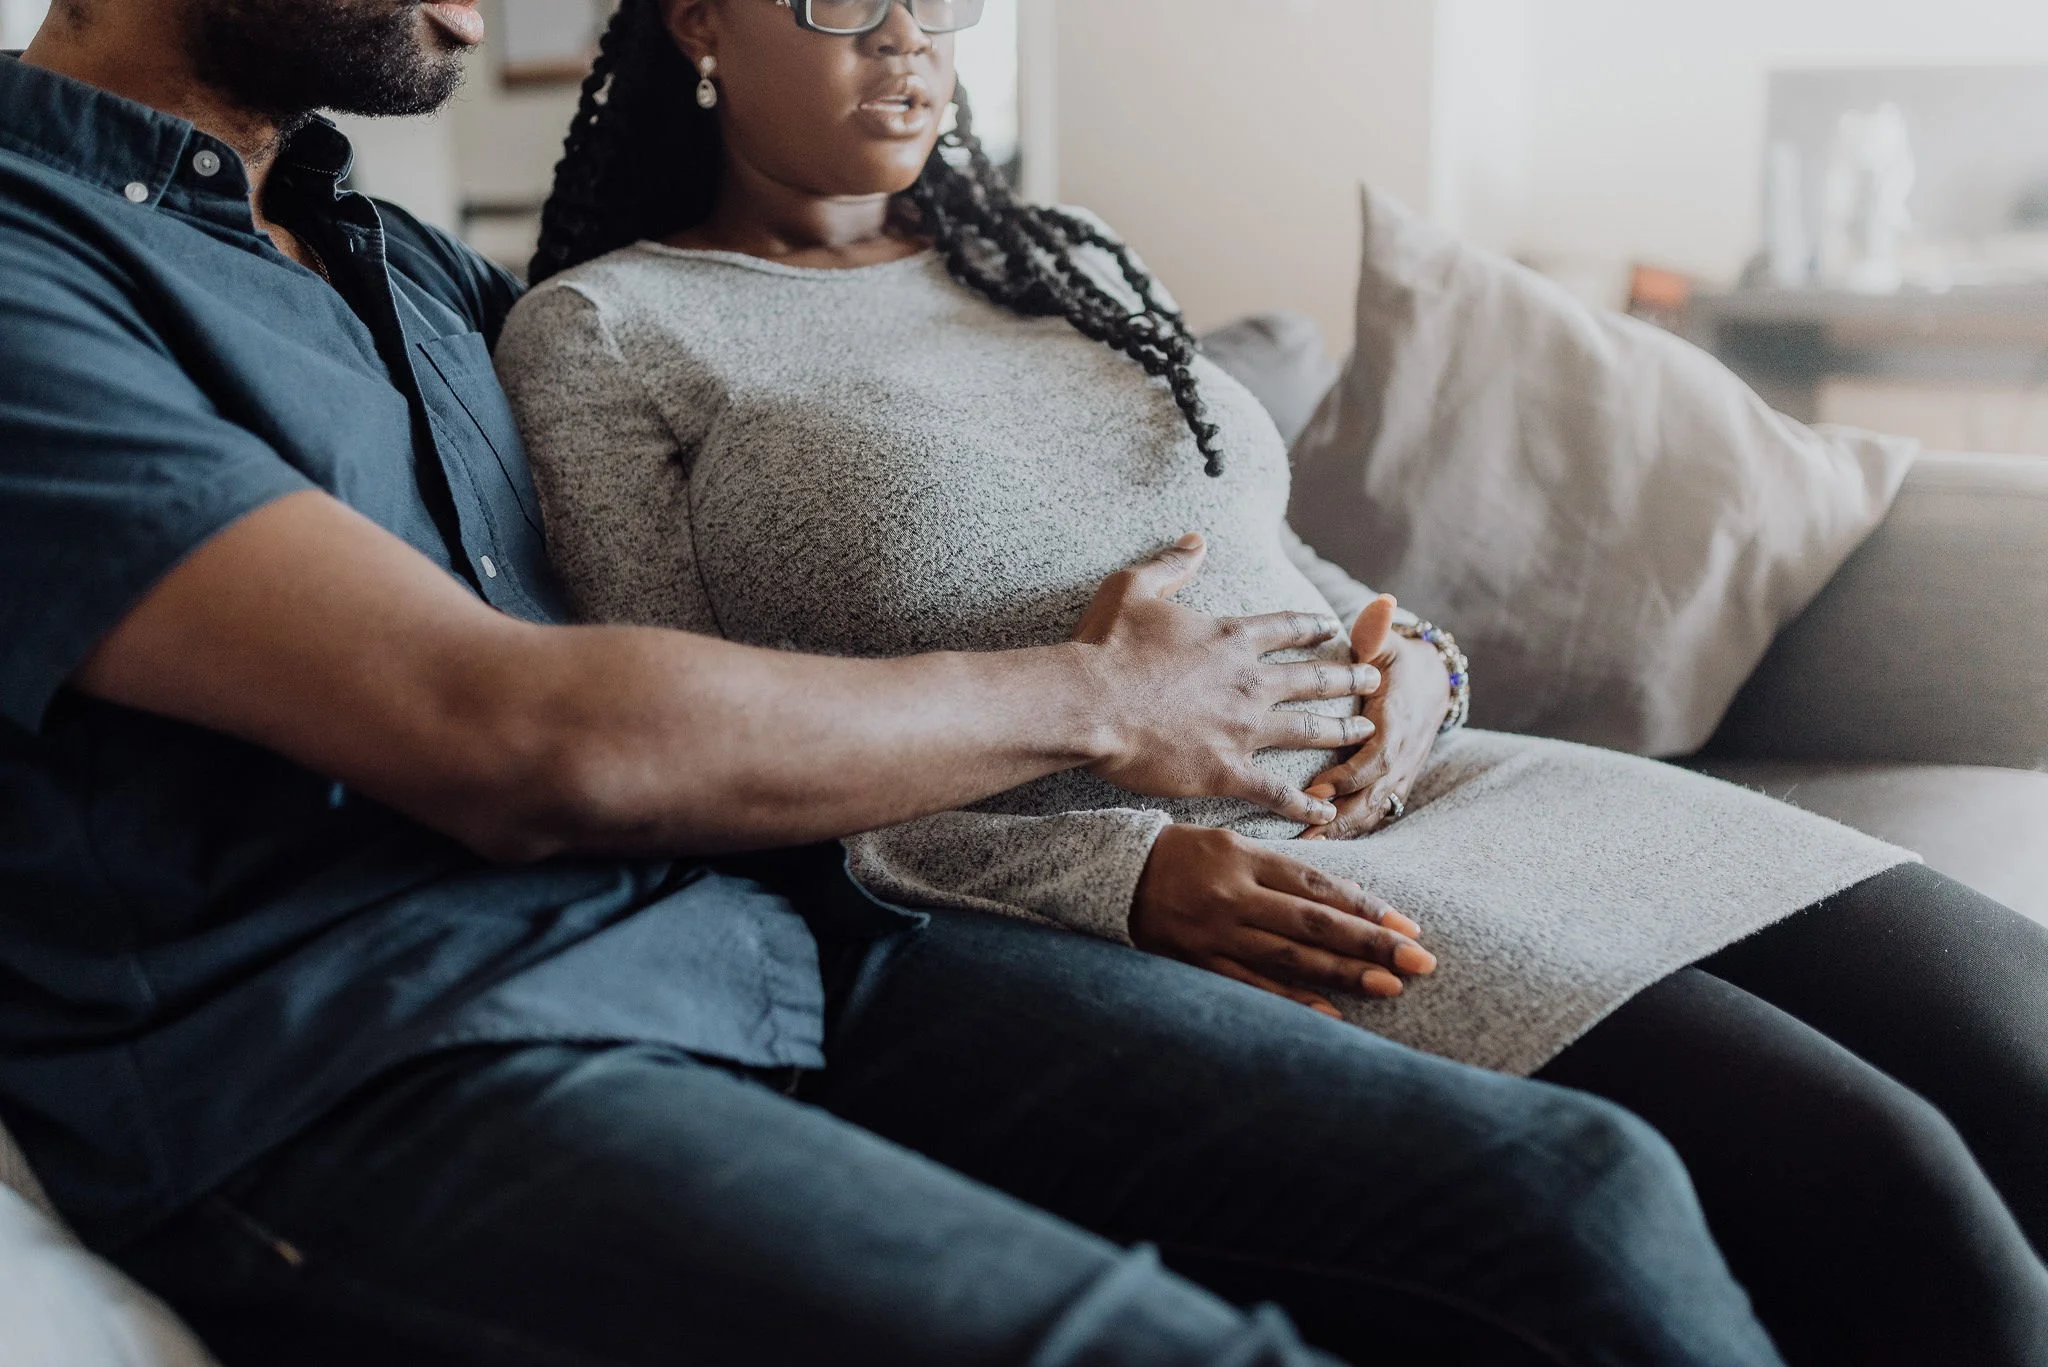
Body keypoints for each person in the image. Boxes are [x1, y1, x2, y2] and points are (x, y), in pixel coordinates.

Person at [0, 2, 1798, 1364]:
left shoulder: (400, 264)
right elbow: (517, 731)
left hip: (763, 941)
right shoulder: (31, 267)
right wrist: (1098, 697)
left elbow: (768, 511)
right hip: (389, 1062)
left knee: (1583, 1195)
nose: (486, 8)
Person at [495, 1, 2048, 1363]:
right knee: (1888, 1188)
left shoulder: (1064, 255)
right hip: (1189, 869)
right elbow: (693, 753)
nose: (909, 35)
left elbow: (1280, 559)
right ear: (698, 21)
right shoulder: (610, 333)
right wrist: (1115, 875)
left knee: (2016, 1027)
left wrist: (1421, 669)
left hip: (1449, 781)